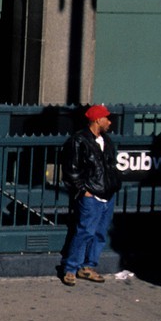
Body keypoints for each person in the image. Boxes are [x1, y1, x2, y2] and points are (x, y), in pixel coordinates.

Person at [60, 104, 120, 286]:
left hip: (106, 193)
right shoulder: (78, 141)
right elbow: (71, 170)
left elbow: (110, 165)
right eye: (106, 118)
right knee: (85, 231)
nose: (109, 122)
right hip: (92, 194)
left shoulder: (106, 141)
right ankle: (71, 268)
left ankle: (88, 266)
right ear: (97, 120)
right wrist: (83, 191)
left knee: (99, 232)